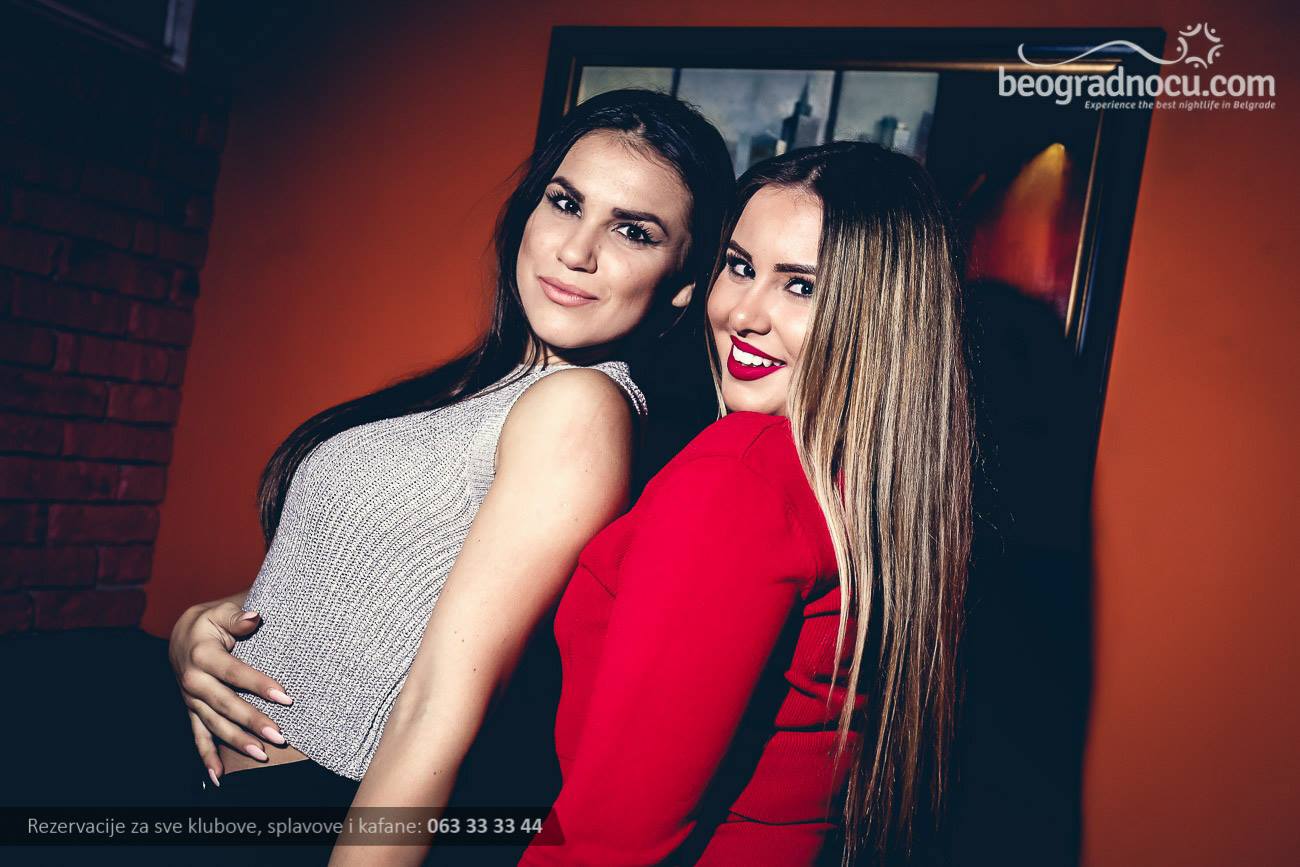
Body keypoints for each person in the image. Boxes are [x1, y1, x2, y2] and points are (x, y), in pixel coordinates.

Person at [165, 88, 734, 830]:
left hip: (309, 808)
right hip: (214, 777)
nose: (576, 250)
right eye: (565, 203)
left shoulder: (581, 404)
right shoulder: (490, 387)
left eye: (633, 231)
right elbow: (378, 595)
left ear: (685, 283)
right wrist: (199, 628)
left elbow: (437, 705)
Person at [515, 140, 974, 866]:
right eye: (739, 266)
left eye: (802, 286)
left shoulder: (742, 476)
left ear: (879, 318)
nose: (742, 313)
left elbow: (610, 840)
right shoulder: (878, 496)